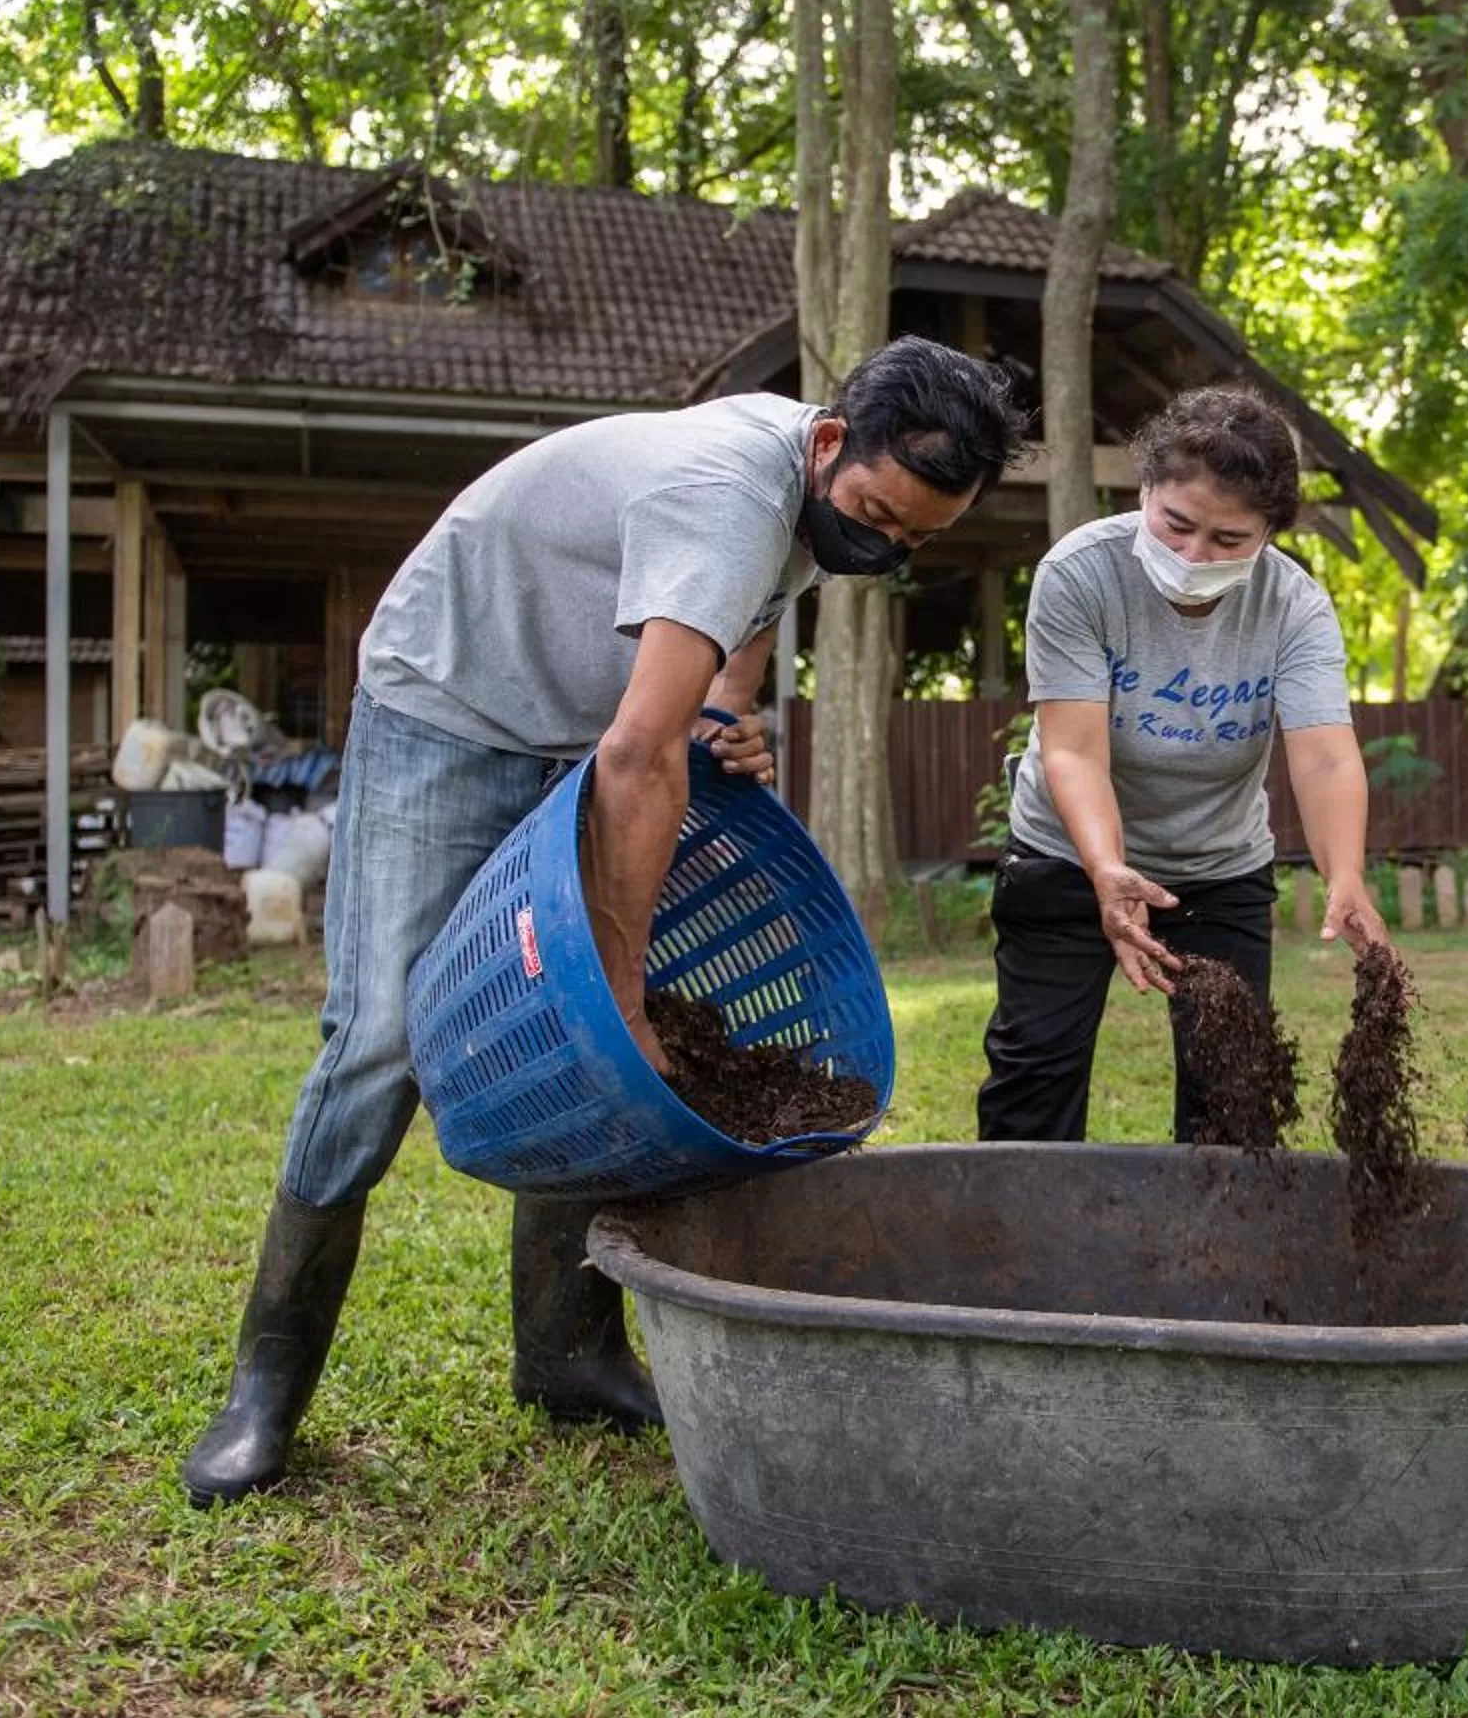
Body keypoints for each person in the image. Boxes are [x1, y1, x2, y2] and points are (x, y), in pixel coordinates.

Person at [182, 337, 1026, 1507]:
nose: (884, 548)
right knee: (381, 1040)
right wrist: (623, 993)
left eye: (915, 541)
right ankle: (265, 1386)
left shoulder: (821, 489)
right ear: (828, 442)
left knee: (572, 1040)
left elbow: (749, 607)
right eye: (879, 518)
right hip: (451, 699)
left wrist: (725, 707)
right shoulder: (730, 490)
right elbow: (637, 757)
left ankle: (568, 1354)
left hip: (572, 722)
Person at [977, 384, 1390, 1144]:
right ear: (1145, 493)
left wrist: (1347, 875)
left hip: (1219, 866)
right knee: (1035, 1070)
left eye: (1229, 540)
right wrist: (1107, 868)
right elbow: (1071, 749)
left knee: (1232, 1090)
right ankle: (1019, 1251)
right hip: (1068, 854)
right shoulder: (1079, 575)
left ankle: (1217, 1257)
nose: (1194, 555)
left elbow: (1326, 758)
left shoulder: (1294, 607)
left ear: (1268, 533)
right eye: (1175, 525)